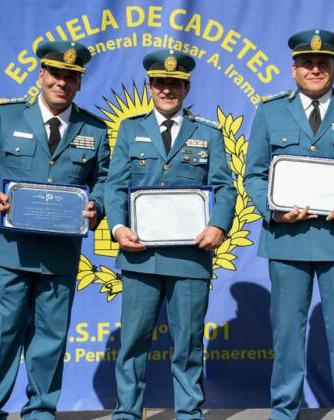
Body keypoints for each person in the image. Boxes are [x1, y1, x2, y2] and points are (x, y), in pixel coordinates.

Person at [0, 40, 110, 420]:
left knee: (51, 338)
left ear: (79, 84)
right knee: (3, 334)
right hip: (8, 249)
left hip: (59, 253)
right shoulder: (6, 117)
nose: (62, 82)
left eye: (71, 78)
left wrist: (99, 207)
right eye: (56, 74)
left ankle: (41, 410)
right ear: (41, 75)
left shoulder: (95, 128)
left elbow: (106, 179)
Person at [244, 29, 334, 420]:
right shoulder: (270, 111)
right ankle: (284, 411)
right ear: (293, 70)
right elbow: (253, 175)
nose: (315, 69)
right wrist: (271, 209)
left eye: (322, 63)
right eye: (307, 63)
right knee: (287, 333)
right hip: (287, 238)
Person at [105, 49, 237, 420]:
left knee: (189, 343)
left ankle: (189, 413)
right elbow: (114, 187)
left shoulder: (208, 133)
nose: (167, 90)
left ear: (186, 86)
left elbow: (225, 188)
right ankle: (128, 413)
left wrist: (219, 226)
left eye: (175, 84)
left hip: (190, 259)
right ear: (149, 86)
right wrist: (117, 227)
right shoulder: (131, 130)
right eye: (160, 83)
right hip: (139, 255)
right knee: (132, 342)